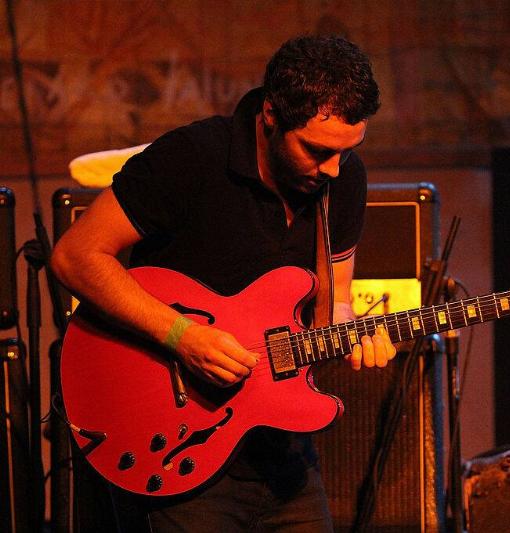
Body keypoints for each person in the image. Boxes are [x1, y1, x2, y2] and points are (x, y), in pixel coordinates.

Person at [52, 35, 395, 531]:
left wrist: (354, 334)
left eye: (347, 152)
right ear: (272, 115)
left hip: (282, 453)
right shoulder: (192, 158)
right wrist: (182, 337)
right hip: (178, 444)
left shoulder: (343, 181)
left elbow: (333, 307)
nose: (333, 169)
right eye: (317, 151)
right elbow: (75, 256)